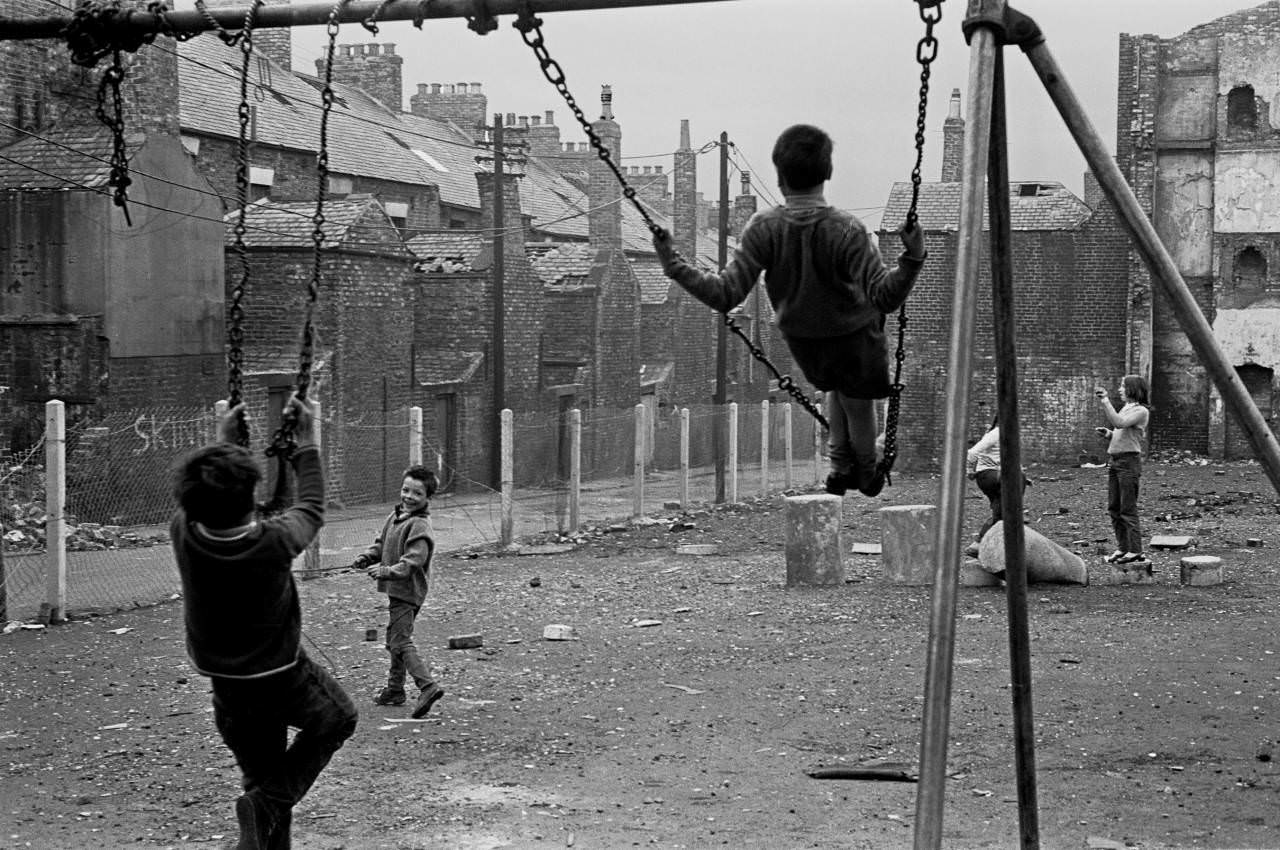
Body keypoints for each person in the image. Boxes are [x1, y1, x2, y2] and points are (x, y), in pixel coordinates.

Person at [652, 123, 926, 497]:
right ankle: (865, 468)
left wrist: (675, 265)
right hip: (855, 341)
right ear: (827, 173)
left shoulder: (763, 228)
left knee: (833, 386)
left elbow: (725, 293)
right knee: (858, 399)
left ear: (779, 177)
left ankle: (837, 464)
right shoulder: (848, 230)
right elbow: (885, 297)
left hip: (805, 345)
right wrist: (913, 257)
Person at [171, 397, 357, 850]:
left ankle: (264, 807)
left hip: (228, 688)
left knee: (262, 777)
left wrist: (223, 445)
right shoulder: (272, 543)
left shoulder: (185, 534)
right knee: (339, 720)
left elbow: (203, 498)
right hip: (284, 680)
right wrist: (308, 444)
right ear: (251, 497)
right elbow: (311, 508)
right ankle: (270, 802)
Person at [351, 465, 444, 718]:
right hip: (397, 590)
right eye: (406, 490)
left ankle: (427, 686)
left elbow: (412, 562)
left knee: (400, 641)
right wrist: (366, 558)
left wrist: (385, 571)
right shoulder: (396, 517)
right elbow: (382, 545)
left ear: (427, 498)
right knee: (395, 640)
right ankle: (395, 690)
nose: (409, 497)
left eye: (417, 494)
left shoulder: (420, 526)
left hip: (408, 592)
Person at [1095, 375, 1151, 565]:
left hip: (1129, 463)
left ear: (1132, 389)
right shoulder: (1127, 408)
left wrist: (1105, 400)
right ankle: (1123, 548)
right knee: (1114, 508)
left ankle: (1135, 550)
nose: (1119, 389)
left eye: (1122, 386)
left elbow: (1119, 423)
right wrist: (1109, 435)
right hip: (1116, 461)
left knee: (1127, 509)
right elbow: (1121, 432)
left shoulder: (1141, 411)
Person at [964, 416, 1031, 557]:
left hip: (996, 476)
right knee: (1018, 480)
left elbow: (1010, 459)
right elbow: (972, 452)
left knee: (1001, 512)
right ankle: (1018, 509)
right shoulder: (997, 433)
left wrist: (1022, 478)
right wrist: (969, 471)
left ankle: (978, 544)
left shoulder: (1007, 435)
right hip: (987, 475)